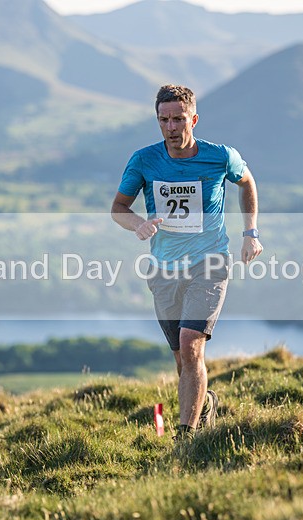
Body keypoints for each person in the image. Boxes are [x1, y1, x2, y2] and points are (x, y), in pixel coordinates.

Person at [111, 85, 263, 438]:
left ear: (193, 119)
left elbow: (247, 182)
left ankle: (186, 436)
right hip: (163, 269)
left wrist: (250, 232)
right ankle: (204, 402)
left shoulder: (220, 156)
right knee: (182, 359)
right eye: (163, 120)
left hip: (209, 263)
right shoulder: (144, 160)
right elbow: (118, 208)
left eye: (178, 119)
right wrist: (139, 224)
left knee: (192, 344)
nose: (171, 127)